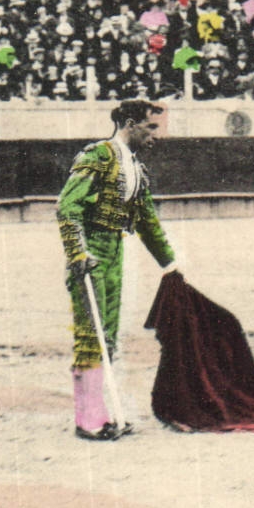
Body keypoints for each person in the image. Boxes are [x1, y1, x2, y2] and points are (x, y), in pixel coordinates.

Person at [56, 100, 179, 441]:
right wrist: (77, 253)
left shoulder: (136, 169)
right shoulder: (98, 156)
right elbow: (67, 206)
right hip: (91, 255)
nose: (157, 135)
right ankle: (87, 420)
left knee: (106, 334)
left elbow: (146, 220)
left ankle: (98, 415)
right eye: (151, 127)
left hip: (114, 252)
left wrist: (169, 263)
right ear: (129, 123)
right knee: (89, 334)